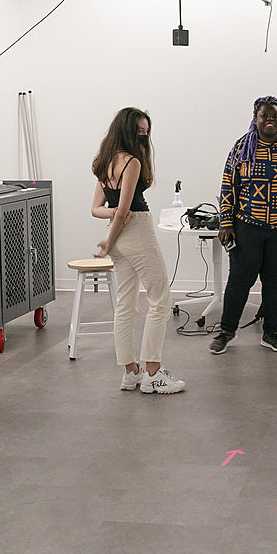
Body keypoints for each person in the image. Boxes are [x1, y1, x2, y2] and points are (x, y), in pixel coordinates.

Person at [210, 96, 277, 355]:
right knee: (239, 281)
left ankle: (271, 333)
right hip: (247, 226)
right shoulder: (241, 148)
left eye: (275, 116)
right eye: (265, 116)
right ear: (255, 119)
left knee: (276, 282)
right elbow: (228, 185)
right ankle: (227, 331)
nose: (270, 120)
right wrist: (226, 221)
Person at [92, 108, 185, 394]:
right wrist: (110, 238)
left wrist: (111, 237)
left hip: (119, 238)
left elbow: (97, 209)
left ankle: (130, 372)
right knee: (161, 300)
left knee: (126, 303)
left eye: (146, 132)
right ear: (126, 130)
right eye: (139, 132)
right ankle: (153, 374)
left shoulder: (104, 161)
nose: (143, 137)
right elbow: (123, 210)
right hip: (136, 233)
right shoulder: (130, 162)